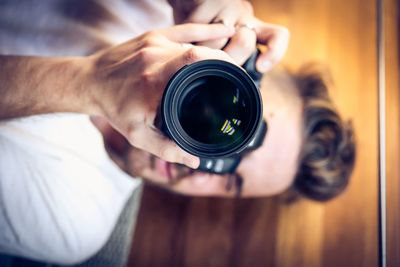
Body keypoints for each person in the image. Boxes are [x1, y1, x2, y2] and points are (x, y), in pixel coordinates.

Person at [0, 0, 354, 265]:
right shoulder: (162, 12)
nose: (202, 164)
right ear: (229, 66)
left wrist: (90, 83)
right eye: (227, 125)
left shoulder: (73, 221)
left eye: (228, 179)